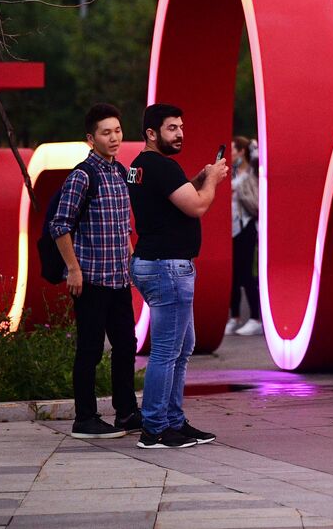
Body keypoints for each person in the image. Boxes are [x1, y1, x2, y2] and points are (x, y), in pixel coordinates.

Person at [127, 103, 228, 449]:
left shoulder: (140, 166)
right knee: (168, 352)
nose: (180, 134)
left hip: (155, 263)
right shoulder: (160, 165)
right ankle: (154, 428)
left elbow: (175, 200)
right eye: (172, 128)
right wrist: (212, 181)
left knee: (182, 348)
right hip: (168, 267)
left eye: (182, 127)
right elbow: (197, 206)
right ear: (152, 133)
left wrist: (200, 179)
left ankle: (172, 419)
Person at [49, 103, 140, 439]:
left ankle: (126, 412)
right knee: (89, 349)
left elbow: (123, 228)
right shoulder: (82, 175)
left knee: (126, 345)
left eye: (117, 130)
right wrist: (73, 269)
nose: (114, 137)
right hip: (90, 280)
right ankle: (85, 417)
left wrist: (135, 265)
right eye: (106, 132)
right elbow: (60, 224)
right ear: (91, 138)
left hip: (119, 279)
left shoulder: (120, 173)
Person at [225, 136, 262, 336]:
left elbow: (257, 202)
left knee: (246, 272)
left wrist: (253, 147)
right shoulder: (229, 174)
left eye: (233, 150)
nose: (230, 154)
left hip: (245, 226)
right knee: (233, 273)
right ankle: (235, 316)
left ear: (241, 151)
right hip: (229, 228)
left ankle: (256, 318)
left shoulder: (251, 174)